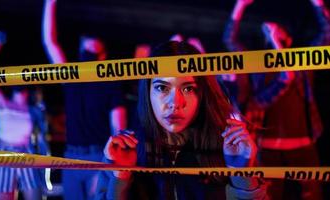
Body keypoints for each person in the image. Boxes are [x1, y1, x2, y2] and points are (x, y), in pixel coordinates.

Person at [95, 41, 267, 200]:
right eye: (162, 87)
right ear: (147, 92)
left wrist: (242, 176)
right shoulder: (122, 151)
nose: (175, 103)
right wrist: (121, 178)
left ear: (202, 94)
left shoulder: (231, 149)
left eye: (188, 88)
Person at [223, 0, 330, 199]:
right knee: (270, 194)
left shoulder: (301, 62)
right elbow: (230, 40)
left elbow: (326, 37)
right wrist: (240, 5)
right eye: (266, 31)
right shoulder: (258, 66)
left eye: (276, 29)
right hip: (268, 144)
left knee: (312, 192)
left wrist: (318, 5)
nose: (270, 31)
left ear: (288, 38)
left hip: (302, 143)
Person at [42, 0, 127, 199]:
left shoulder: (109, 83)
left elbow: (118, 127)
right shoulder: (73, 76)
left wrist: (115, 164)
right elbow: (49, 42)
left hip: (96, 156)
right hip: (72, 156)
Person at [0, 31, 47, 200]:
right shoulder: (1, 102)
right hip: (4, 153)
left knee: (35, 196)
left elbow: (42, 137)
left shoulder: (33, 109)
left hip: (26, 153)